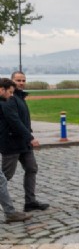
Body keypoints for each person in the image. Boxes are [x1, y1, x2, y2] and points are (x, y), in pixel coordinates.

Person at [1, 71, 49, 212]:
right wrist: (30, 137)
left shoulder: (20, 97)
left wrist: (28, 136)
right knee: (5, 176)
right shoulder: (9, 98)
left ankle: (30, 202)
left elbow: (23, 120)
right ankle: (9, 208)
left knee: (31, 168)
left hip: (23, 143)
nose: (21, 83)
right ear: (11, 81)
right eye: (18, 80)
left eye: (23, 80)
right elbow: (14, 121)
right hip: (11, 143)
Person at [0, 78, 32, 223]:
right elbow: (13, 121)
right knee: (2, 180)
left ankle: (10, 212)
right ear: (2, 90)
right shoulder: (4, 104)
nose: (11, 95)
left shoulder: (4, 102)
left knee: (1, 180)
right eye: (10, 92)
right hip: (10, 144)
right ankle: (10, 213)